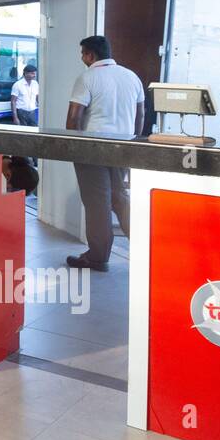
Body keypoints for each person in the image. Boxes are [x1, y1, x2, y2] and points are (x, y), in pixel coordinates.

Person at [65, 35, 145, 272]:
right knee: (120, 197)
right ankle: (144, 249)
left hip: (93, 149)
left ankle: (97, 257)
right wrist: (132, 142)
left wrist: (75, 147)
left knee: (97, 202)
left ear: (90, 54)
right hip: (123, 147)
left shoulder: (87, 77)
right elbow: (141, 114)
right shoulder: (131, 76)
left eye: (83, 54)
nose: (82, 58)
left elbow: (73, 118)